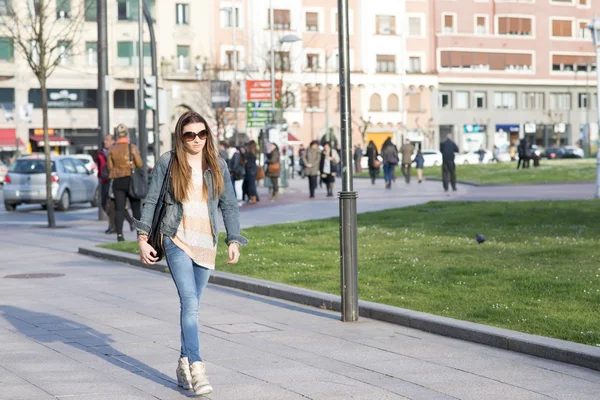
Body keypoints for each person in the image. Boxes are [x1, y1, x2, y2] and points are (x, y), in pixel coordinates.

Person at [135, 111, 247, 397]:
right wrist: (142, 237)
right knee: (190, 304)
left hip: (206, 243)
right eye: (189, 135)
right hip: (177, 238)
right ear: (180, 136)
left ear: (207, 134)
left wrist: (233, 239)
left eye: (201, 133)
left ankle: (182, 362)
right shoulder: (169, 162)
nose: (196, 139)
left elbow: (230, 206)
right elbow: (151, 199)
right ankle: (197, 367)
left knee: (193, 305)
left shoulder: (217, 164)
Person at [108, 124, 143, 242]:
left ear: (117, 135)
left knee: (119, 209)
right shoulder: (132, 147)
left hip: (118, 181)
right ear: (127, 134)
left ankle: (119, 235)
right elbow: (140, 164)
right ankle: (140, 235)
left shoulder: (112, 149)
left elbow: (109, 167)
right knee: (136, 209)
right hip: (131, 180)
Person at [97, 134, 115, 234]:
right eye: (104, 140)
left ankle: (112, 225)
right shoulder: (101, 152)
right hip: (103, 181)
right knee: (103, 203)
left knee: (110, 205)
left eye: (107, 140)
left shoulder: (114, 152)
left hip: (111, 180)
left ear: (113, 141)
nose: (105, 142)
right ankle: (115, 222)